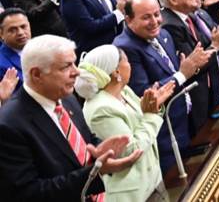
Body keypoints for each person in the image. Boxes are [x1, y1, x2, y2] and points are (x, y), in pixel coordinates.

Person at [0, 35, 143, 199]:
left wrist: (101, 150)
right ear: (37, 74)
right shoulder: (9, 125)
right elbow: (28, 193)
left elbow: (84, 140)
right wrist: (93, 174)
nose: (77, 72)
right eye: (66, 66)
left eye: (74, 63)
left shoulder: (66, 98)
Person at [114, 0, 206, 172]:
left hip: (185, 120)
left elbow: (175, 71)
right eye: (146, 17)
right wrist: (182, 74)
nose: (154, 21)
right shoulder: (124, 48)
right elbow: (145, 93)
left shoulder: (163, 34)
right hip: (163, 133)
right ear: (129, 20)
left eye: (157, 14)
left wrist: (188, 69)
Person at [75, 44, 174, 202]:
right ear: (116, 72)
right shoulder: (100, 109)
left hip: (153, 180)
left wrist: (153, 106)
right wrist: (151, 115)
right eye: (127, 61)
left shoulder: (124, 91)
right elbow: (131, 150)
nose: (130, 65)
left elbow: (143, 121)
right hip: (133, 194)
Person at [156, 0, 219, 133]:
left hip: (215, 86)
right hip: (197, 96)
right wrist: (217, 44)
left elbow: (213, 44)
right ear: (173, 0)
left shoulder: (193, 16)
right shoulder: (169, 25)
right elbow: (194, 66)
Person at [0, 8, 30, 91]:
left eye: (23, 27)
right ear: (1, 34)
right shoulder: (2, 65)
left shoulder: (43, 47)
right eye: (12, 30)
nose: (20, 32)